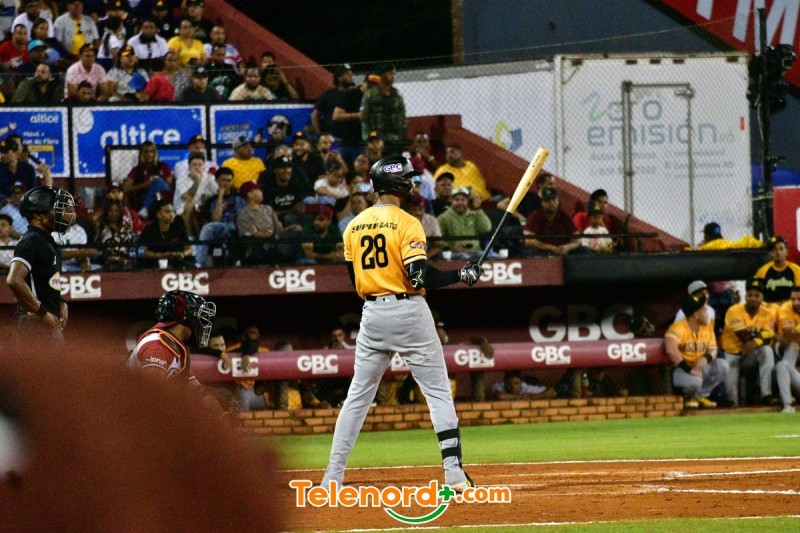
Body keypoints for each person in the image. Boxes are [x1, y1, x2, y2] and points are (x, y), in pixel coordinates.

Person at [321, 155, 483, 492]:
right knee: (437, 392)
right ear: (397, 184)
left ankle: (331, 478)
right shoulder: (408, 222)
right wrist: (461, 274)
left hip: (371, 314)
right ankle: (453, 474)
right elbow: (418, 277)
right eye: (408, 179)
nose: (411, 184)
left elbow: (354, 280)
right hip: (408, 311)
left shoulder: (353, 225)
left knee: (357, 398)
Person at [5, 186, 75, 343]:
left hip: (45, 325)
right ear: (39, 216)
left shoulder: (45, 240)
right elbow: (14, 280)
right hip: (35, 326)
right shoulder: (31, 240)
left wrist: (61, 301)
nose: (62, 214)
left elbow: (42, 280)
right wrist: (44, 314)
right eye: (56, 209)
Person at [127, 290, 216, 382]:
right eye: (200, 318)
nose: (202, 324)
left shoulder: (175, 346)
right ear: (187, 318)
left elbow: (193, 386)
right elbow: (152, 388)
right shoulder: (158, 345)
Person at [664, 294, 729, 409]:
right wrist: (689, 370)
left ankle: (699, 396)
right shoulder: (678, 328)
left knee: (722, 366)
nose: (707, 312)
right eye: (704, 310)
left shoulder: (707, 327)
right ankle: (688, 397)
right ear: (695, 314)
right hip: (681, 369)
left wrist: (705, 358)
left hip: (699, 366)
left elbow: (713, 349)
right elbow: (671, 350)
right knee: (695, 381)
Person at [720, 278, 777, 407]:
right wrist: (759, 336)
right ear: (745, 296)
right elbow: (743, 336)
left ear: (762, 298)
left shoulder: (767, 314)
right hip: (731, 355)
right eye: (750, 295)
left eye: (757, 296)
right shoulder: (734, 310)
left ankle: (766, 395)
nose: (753, 298)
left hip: (750, 356)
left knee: (767, 351)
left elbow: (769, 337)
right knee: (731, 400)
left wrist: (755, 341)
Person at [195, 167, 243, 267]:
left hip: (237, 227)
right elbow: (216, 219)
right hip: (219, 228)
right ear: (217, 180)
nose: (226, 183)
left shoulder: (239, 198)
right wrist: (220, 197)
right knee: (207, 228)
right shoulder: (212, 200)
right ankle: (200, 263)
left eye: (229, 180)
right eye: (223, 180)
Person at [522, 186, 584, 256]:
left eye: (553, 200)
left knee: (584, 250)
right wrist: (552, 248)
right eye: (547, 201)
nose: (551, 203)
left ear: (558, 201)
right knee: (532, 252)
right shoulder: (534, 217)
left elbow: (578, 240)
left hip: (563, 251)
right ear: (542, 203)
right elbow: (529, 241)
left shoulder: (565, 217)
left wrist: (568, 247)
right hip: (542, 251)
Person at [360, 64, 407, 153]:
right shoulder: (369, 95)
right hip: (376, 139)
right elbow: (363, 117)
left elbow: (402, 116)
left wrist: (403, 137)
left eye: (393, 74)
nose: (393, 76)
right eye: (390, 74)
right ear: (382, 75)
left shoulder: (397, 95)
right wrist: (367, 139)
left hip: (394, 139)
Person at [436, 187, 491, 260]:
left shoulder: (475, 214)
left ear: (467, 201)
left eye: (463, 200)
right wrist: (452, 248)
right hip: (455, 253)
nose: (460, 203)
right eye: (456, 200)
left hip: (475, 251)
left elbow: (486, 228)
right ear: (451, 201)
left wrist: (477, 209)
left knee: (491, 257)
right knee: (464, 257)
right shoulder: (443, 218)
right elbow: (437, 239)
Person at [236, 181, 283, 265]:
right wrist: (268, 233)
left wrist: (292, 227)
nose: (261, 192)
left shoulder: (268, 209)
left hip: (274, 242)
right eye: (259, 190)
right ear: (250, 194)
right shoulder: (243, 215)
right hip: (256, 249)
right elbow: (254, 234)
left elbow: (279, 228)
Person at [138, 198, 193, 269]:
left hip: (176, 263)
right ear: (158, 215)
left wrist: (182, 254)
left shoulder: (178, 227)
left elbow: (190, 249)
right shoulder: (149, 229)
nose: (171, 214)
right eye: (167, 212)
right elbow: (141, 252)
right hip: (154, 264)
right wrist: (161, 255)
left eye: (172, 211)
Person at [121, 140, 172, 217]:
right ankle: (145, 209)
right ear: (142, 154)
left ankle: (145, 208)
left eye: (151, 152)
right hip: (142, 197)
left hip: (161, 197)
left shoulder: (163, 166)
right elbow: (125, 188)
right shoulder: (136, 170)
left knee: (158, 181)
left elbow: (169, 184)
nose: (149, 154)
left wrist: (154, 184)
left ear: (155, 153)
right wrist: (144, 185)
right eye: (146, 152)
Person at [172, 150, 216, 238]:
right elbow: (188, 198)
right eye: (194, 165)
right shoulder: (182, 178)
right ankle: (190, 237)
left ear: (204, 167)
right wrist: (197, 182)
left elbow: (215, 194)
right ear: (189, 167)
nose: (197, 167)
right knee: (190, 206)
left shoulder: (210, 178)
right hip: (182, 208)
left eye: (200, 165)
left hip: (202, 207)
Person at [754, 235, 800, 305]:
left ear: (786, 252)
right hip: (769, 309)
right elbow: (756, 294)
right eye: (774, 249)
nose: (778, 252)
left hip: (790, 308)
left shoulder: (796, 270)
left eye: (781, 249)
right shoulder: (762, 271)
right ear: (771, 253)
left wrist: (784, 304)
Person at [776, 286, 800, 413]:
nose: (796, 303)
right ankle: (787, 405)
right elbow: (789, 333)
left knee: (782, 366)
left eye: (799, 299)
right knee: (792, 346)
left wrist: (796, 328)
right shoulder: (786, 308)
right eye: (793, 299)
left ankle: (787, 404)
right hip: (786, 347)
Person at [490, 370, 556, 400]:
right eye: (509, 383)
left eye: (516, 383)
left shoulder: (525, 387)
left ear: (521, 382)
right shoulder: (498, 385)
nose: (512, 387)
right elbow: (500, 396)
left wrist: (533, 396)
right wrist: (521, 397)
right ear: (505, 382)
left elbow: (552, 392)